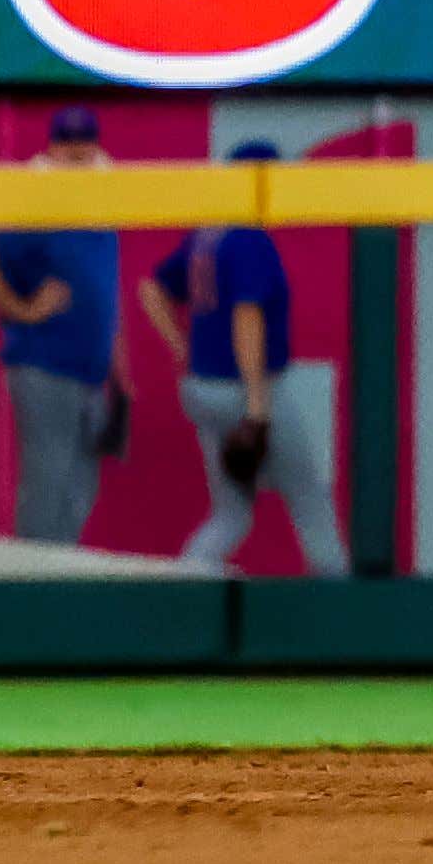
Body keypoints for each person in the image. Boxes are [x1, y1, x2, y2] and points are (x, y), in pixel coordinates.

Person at [143, 145, 347, 576]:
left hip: (203, 390)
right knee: (309, 498)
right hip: (247, 392)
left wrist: (183, 349)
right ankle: (343, 615)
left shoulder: (207, 235)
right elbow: (247, 317)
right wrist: (257, 407)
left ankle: (186, 588)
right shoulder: (249, 239)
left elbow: (151, 290)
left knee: (232, 513)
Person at [0, 105, 125, 544]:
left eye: (83, 142)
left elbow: (107, 287)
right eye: (68, 144)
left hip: (89, 370)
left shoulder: (102, 198)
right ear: (51, 147)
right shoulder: (36, 196)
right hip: (45, 364)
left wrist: (118, 368)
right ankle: (30, 591)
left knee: (80, 487)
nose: (77, 152)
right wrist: (20, 309)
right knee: (48, 487)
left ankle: (56, 584)